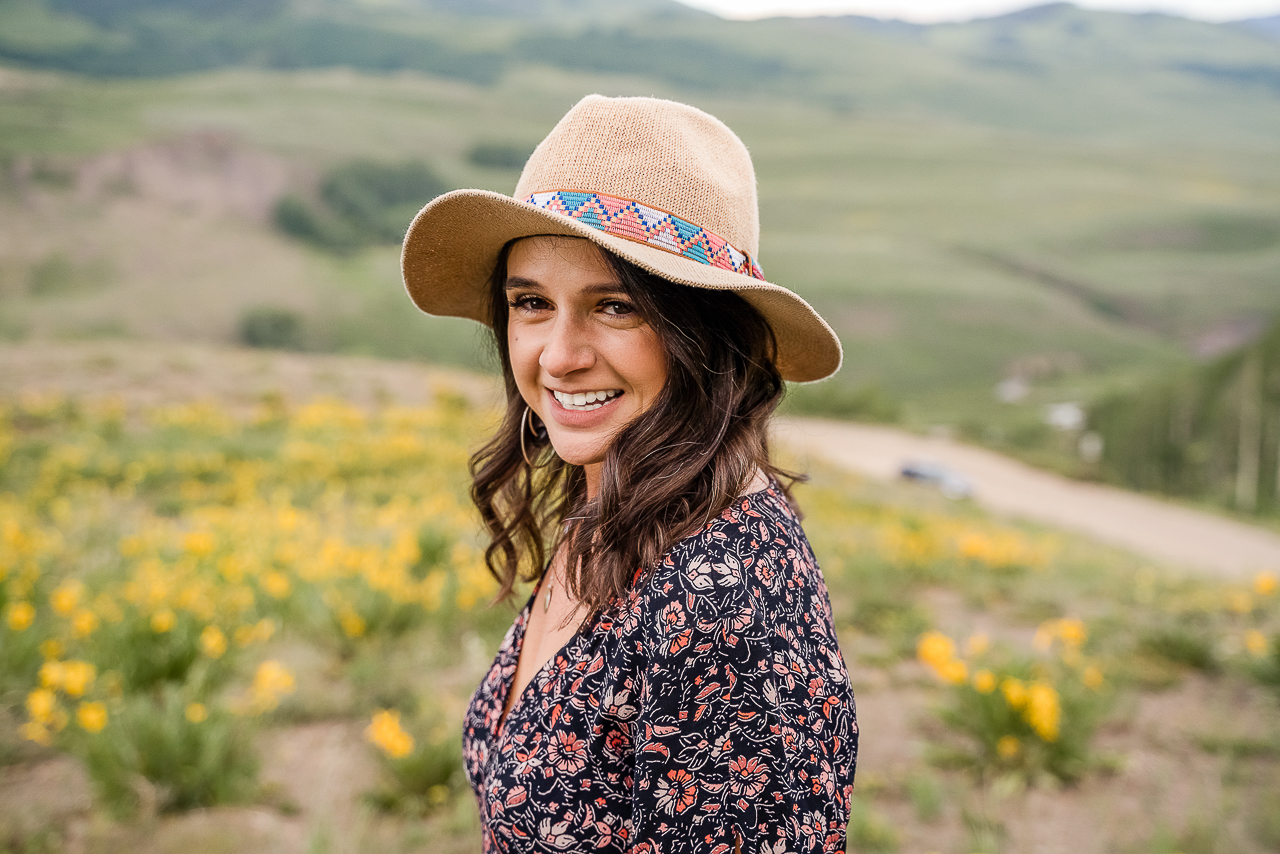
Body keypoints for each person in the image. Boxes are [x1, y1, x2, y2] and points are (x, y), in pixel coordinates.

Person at [401, 94, 857, 854]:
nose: (557, 356)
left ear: (704, 334)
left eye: (614, 306)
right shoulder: (618, 507)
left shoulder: (722, 600)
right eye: (531, 303)